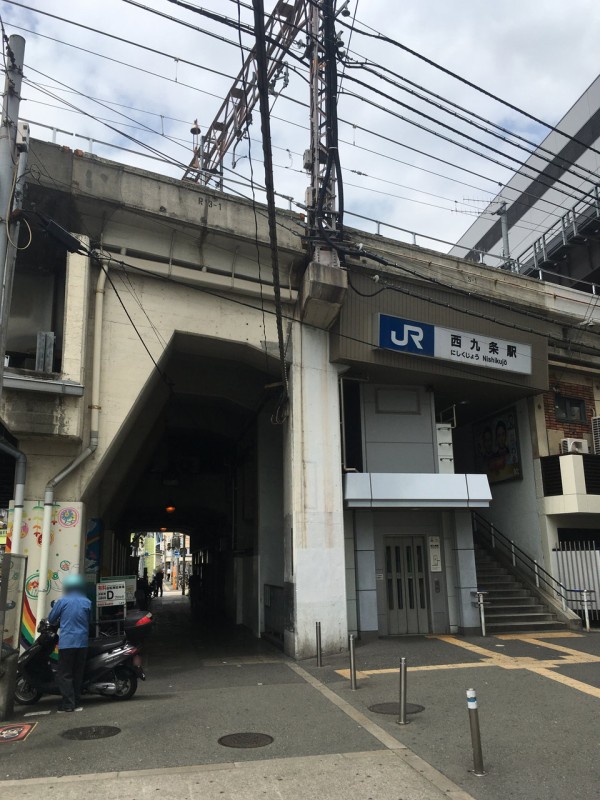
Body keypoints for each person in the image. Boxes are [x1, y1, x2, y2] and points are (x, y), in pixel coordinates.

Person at [48, 573, 92, 712]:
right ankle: (76, 700)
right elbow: (89, 619)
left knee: (65, 673)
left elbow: (51, 618)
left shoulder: (63, 601)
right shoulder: (87, 602)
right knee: (78, 672)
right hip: (82, 642)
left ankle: (68, 704)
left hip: (67, 642)